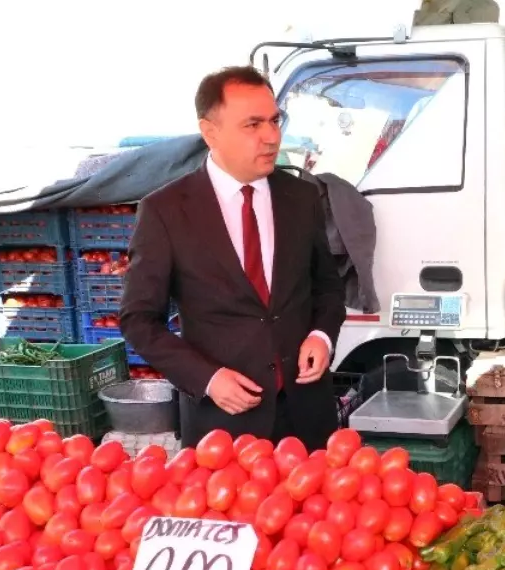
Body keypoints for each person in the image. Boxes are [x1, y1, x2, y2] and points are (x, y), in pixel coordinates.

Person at [120, 66, 346, 451]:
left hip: (308, 418)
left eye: (275, 120)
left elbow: (327, 286)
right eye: (252, 125)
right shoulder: (166, 211)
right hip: (222, 427)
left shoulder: (301, 197)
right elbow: (139, 320)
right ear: (210, 133)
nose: (272, 136)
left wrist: (322, 335)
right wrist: (207, 378)